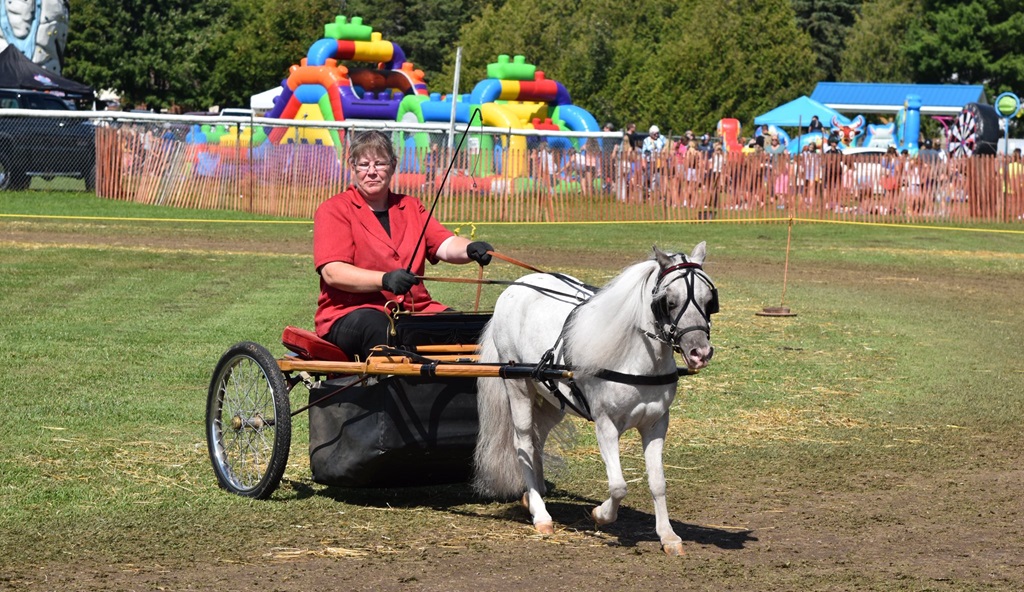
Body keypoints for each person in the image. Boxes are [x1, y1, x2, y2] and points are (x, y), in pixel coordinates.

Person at [313, 130, 494, 360]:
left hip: (416, 311)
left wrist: (470, 249)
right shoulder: (334, 210)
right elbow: (333, 272)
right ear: (353, 167)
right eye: (364, 164)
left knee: (464, 329)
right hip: (351, 313)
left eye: (379, 163)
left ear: (393, 166)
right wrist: (385, 279)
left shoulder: (410, 207)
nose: (371, 172)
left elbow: (444, 244)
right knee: (383, 329)